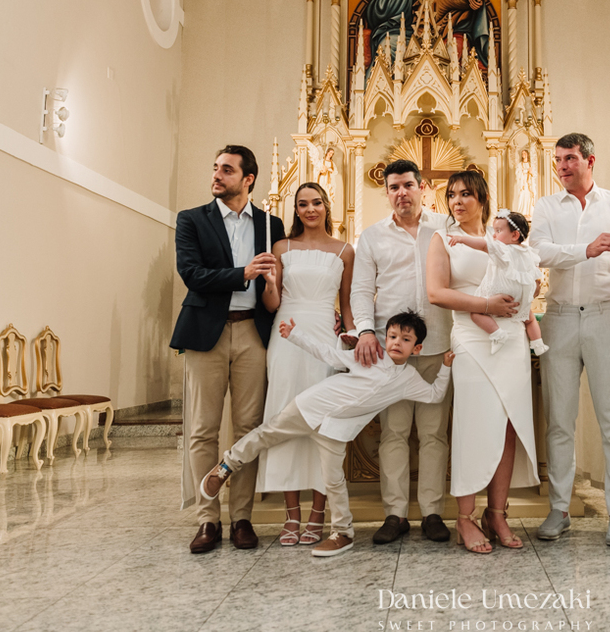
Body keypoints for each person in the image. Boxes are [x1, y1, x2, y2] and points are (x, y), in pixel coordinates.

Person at [200, 311, 453, 558]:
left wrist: (445, 368)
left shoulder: (409, 379)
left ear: (416, 349)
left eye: (405, 340)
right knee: (265, 433)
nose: (397, 343)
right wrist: (295, 335)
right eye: (393, 336)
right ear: (385, 338)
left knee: (334, 481)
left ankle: (342, 532)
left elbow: (434, 395)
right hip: (311, 406)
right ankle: (227, 464)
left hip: (336, 430)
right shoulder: (370, 356)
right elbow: (329, 355)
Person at [529, 132, 610, 547]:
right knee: (559, 421)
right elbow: (538, 252)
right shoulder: (545, 206)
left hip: (605, 315)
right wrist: (587, 248)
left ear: (590, 160)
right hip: (559, 318)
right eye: (558, 160)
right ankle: (559, 508)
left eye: (570, 159)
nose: (562, 166)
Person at [171, 145, 285, 554]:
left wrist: (271, 283)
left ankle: (242, 518)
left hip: (254, 333)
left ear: (248, 179)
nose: (217, 175)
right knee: (203, 429)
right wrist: (242, 274)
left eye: (227, 170)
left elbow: (277, 283)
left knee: (248, 429)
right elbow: (192, 274)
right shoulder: (192, 220)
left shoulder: (271, 224)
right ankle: (207, 518)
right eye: (215, 167)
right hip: (207, 333)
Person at [350, 159, 464, 545]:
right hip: (393, 351)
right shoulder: (372, 237)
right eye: (394, 187)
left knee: (434, 434)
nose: (402, 193)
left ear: (423, 188)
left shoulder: (446, 228)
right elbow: (362, 290)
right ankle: (395, 514)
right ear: (386, 193)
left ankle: (433, 512)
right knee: (394, 433)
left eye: (408, 185)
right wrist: (366, 330)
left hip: (436, 347)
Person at [427, 170, 538, 554]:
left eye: (466, 194)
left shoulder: (504, 239)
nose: (458, 201)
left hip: (510, 339)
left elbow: (527, 277)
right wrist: (485, 304)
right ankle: (465, 517)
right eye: (452, 195)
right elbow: (436, 293)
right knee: (474, 424)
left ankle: (497, 512)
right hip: (471, 337)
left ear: (482, 198)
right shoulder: (443, 239)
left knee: (507, 423)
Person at [257, 182, 353, 547]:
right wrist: (269, 281)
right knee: (284, 417)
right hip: (286, 335)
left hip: (324, 339)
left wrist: (350, 337)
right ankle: (291, 515)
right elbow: (271, 303)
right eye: (302, 204)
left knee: (321, 423)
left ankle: (318, 513)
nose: (309, 209)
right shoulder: (281, 248)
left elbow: (345, 306)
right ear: (294, 210)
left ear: (327, 206)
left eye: (316, 202)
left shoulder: (345, 251)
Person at [446, 209, 548, 356]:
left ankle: (497, 334)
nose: (494, 235)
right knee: (530, 319)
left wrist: (462, 239)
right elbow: (534, 274)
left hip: (503, 292)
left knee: (475, 313)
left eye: (498, 230)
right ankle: (538, 343)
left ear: (515, 235)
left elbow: (481, 245)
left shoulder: (502, 248)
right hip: (522, 295)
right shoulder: (529, 252)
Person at [514, 148, 537, 218]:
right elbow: (517, 174)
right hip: (523, 184)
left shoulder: (531, 165)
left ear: (527, 155)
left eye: (524, 153)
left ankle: (529, 212)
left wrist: (531, 172)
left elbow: (534, 174)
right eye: (522, 154)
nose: (523, 155)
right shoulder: (520, 165)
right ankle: (522, 212)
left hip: (529, 184)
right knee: (522, 197)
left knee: (529, 197)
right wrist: (522, 172)